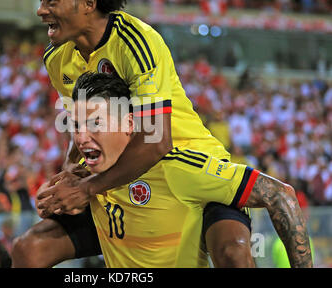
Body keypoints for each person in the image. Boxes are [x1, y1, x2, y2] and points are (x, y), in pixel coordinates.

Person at [13, 0, 252, 267]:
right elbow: (83, 126)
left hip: (189, 171)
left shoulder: (135, 42)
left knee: (234, 254)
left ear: (88, 4)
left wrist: (85, 188)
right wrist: (70, 172)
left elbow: (156, 141)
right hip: (122, 181)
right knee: (28, 249)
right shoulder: (57, 58)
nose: (41, 10)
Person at [19, 72, 312, 268]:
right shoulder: (84, 177)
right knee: (26, 248)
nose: (81, 137)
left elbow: (280, 194)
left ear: (129, 126)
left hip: (203, 200)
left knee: (235, 254)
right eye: (76, 126)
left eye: (96, 124)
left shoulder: (175, 169)